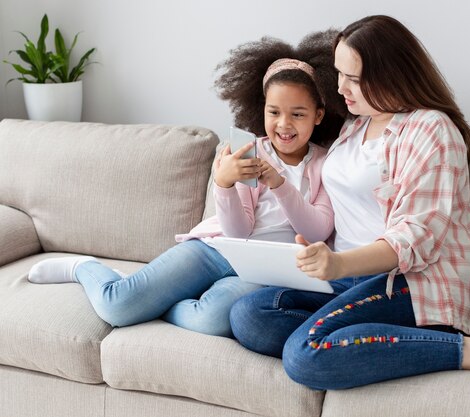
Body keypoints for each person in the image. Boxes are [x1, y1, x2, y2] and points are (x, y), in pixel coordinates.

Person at [229, 15, 470, 389]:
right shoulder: (355, 125)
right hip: (348, 279)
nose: (341, 88)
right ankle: (360, 336)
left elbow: (415, 238)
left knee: (304, 356)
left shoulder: (432, 129)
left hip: (410, 281)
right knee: (250, 314)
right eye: (340, 74)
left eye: (354, 78)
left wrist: (338, 263)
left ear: (391, 73)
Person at [27, 29, 347, 338]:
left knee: (214, 320)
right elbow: (238, 232)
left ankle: (154, 302)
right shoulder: (248, 151)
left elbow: (318, 231)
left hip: (263, 272)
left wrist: (279, 184)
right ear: (261, 109)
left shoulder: (325, 163)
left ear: (318, 115)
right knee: (117, 306)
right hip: (214, 249)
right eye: (274, 112)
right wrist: (223, 184)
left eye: (298, 114)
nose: (283, 124)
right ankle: (82, 268)